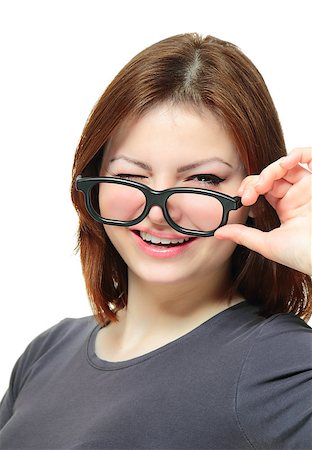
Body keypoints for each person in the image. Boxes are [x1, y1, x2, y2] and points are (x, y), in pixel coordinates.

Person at [0, 33, 311, 450]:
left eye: (203, 179)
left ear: (256, 196)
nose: (159, 211)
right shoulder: (49, 352)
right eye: (131, 176)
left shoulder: (282, 365)